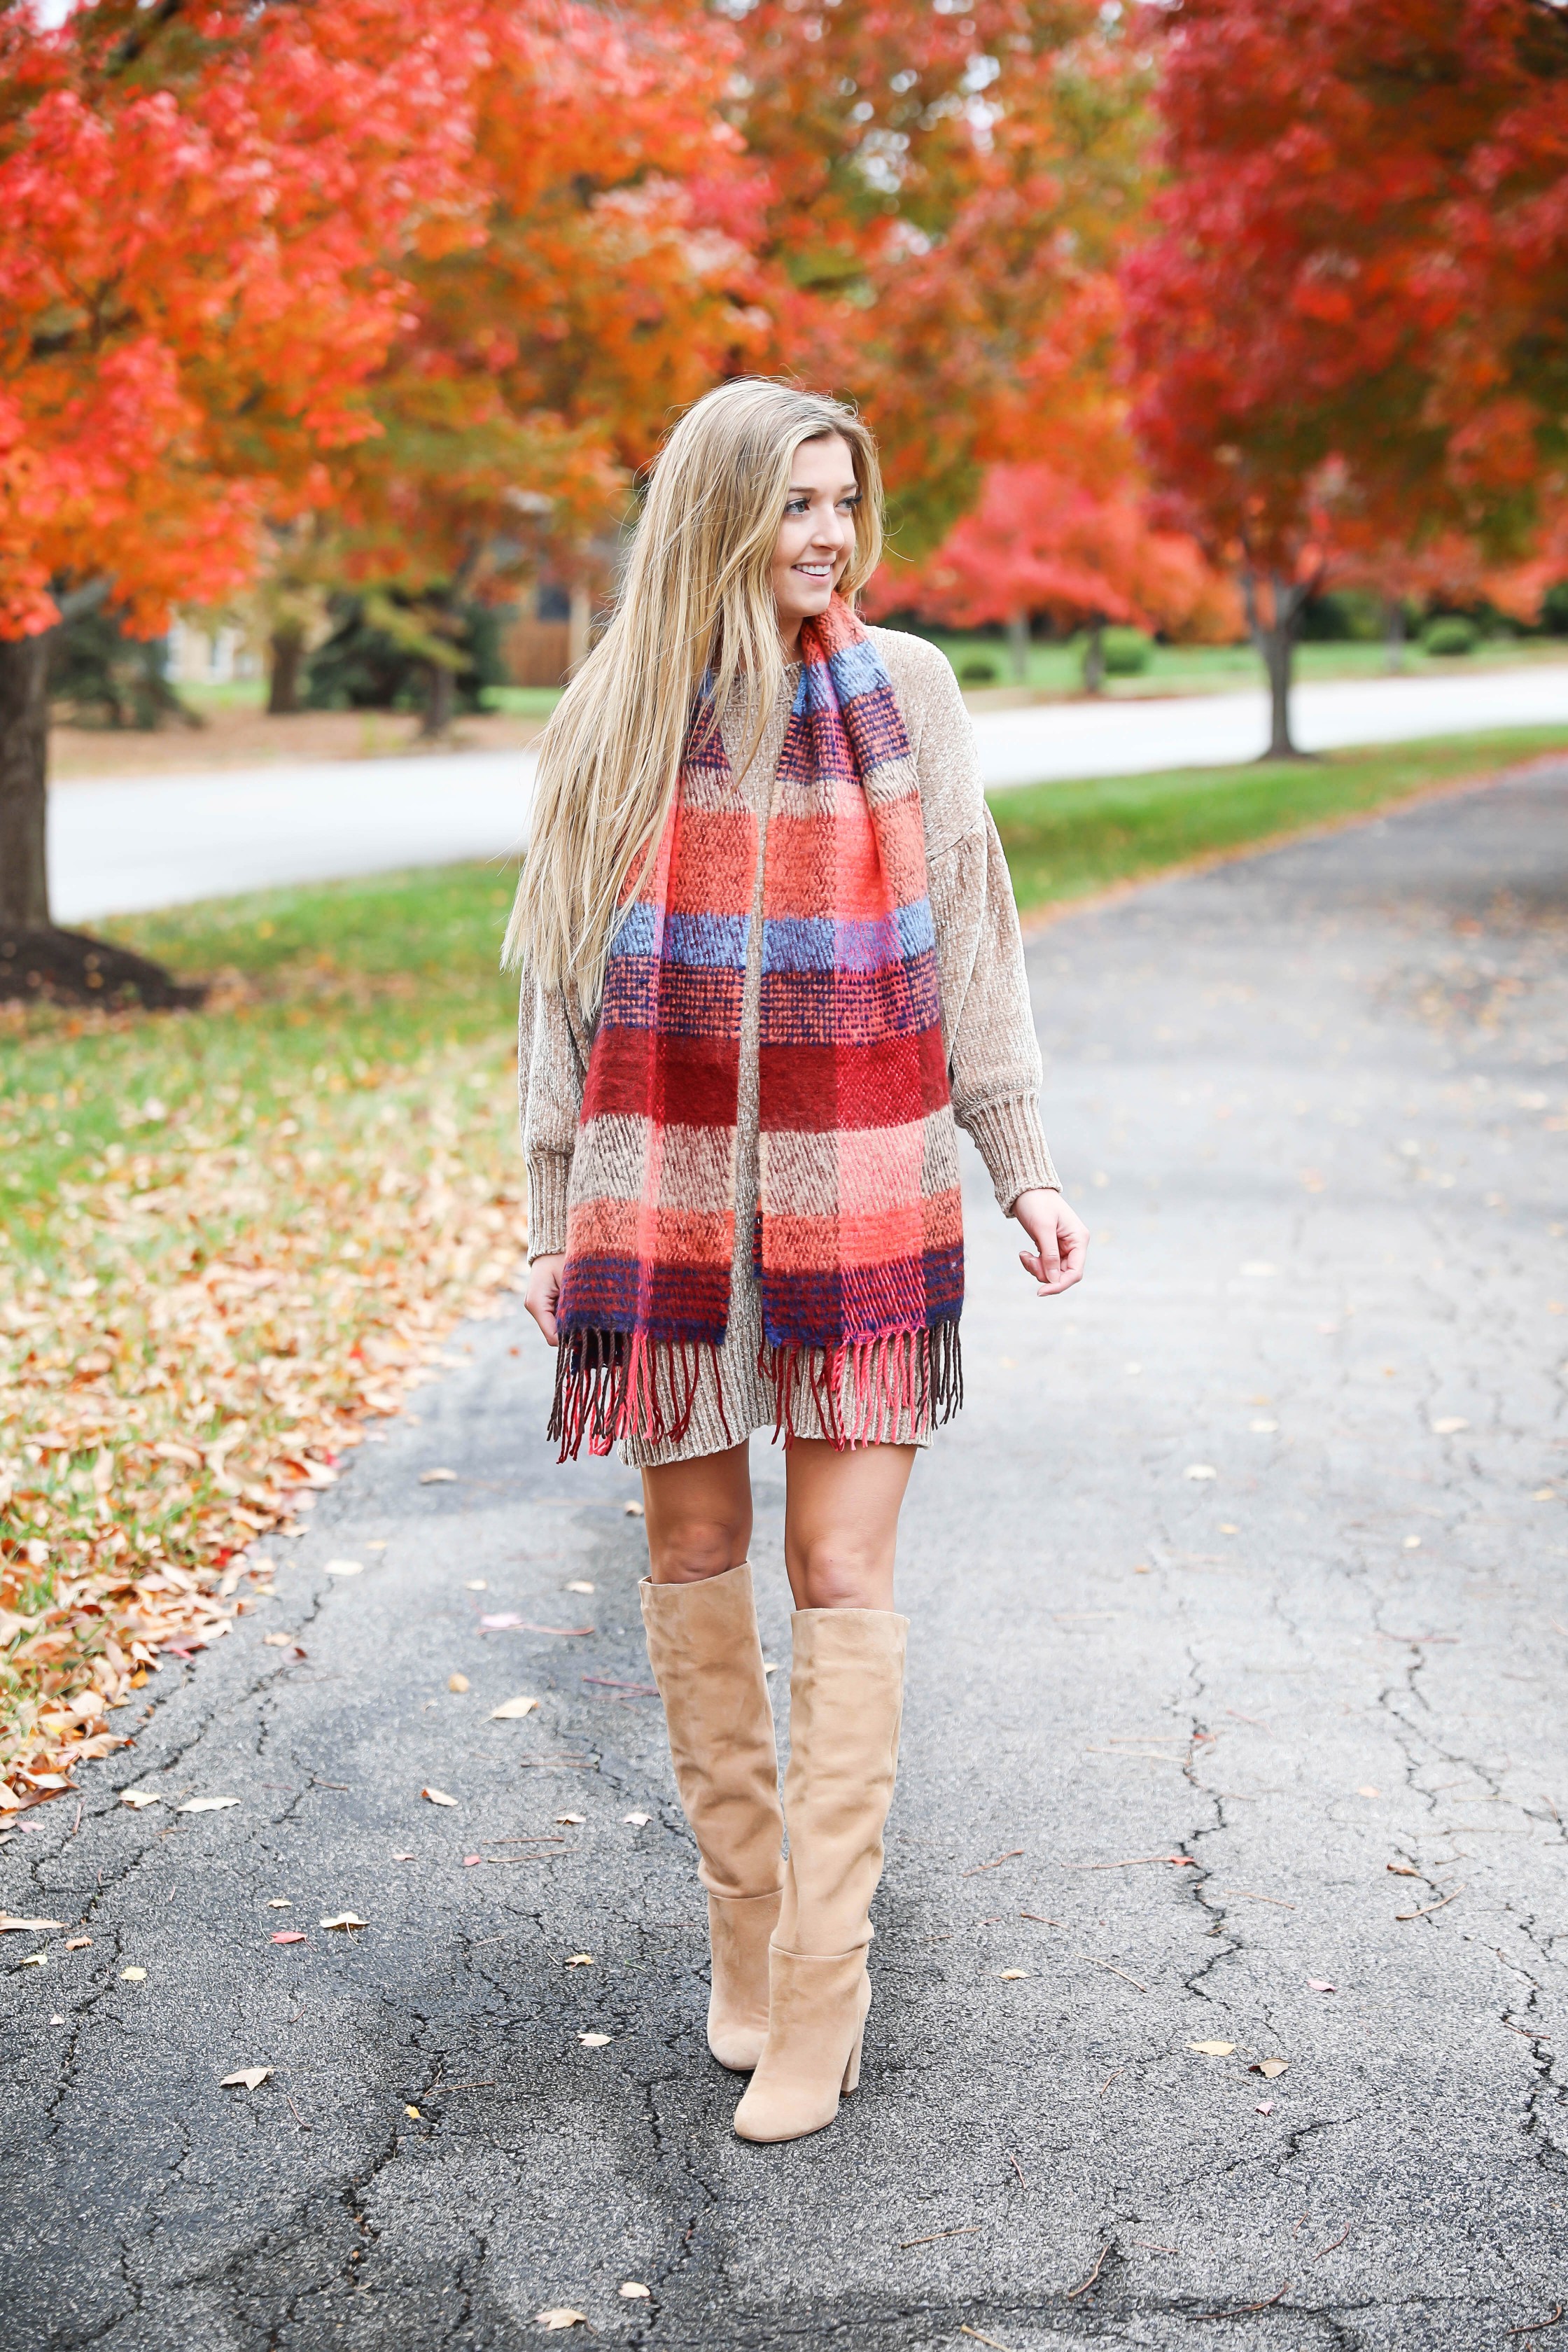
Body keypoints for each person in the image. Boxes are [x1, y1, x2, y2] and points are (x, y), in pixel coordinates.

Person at [508, 379, 1087, 2144]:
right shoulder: (611, 708)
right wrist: (551, 1215)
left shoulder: (906, 693)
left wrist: (1024, 1165)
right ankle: (746, 1940)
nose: (826, 536)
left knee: (842, 1573)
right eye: (792, 505)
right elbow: (556, 980)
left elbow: (970, 931)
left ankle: (822, 1996)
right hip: (661, 1187)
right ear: (717, 516)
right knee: (694, 1547)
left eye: (844, 503)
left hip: (862, 1189)